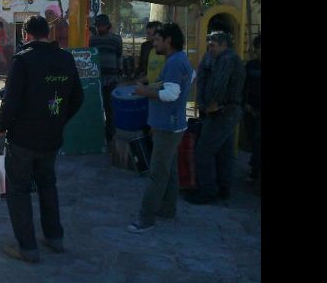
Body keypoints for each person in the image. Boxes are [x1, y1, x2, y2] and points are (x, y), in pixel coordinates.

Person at [0, 15, 83, 263]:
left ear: (27, 35)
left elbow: (11, 101)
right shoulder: (65, 58)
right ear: (48, 34)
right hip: (51, 138)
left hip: (22, 139)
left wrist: (1, 126)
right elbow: (78, 98)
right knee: (47, 185)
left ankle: (27, 247)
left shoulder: (23, 60)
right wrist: (58, 120)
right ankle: (55, 238)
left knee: (18, 190)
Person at [126, 23, 194, 233]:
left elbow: (171, 94)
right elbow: (189, 79)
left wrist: (144, 92)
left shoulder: (174, 62)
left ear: (168, 41)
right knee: (169, 171)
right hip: (173, 124)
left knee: (157, 174)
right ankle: (167, 209)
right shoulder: (180, 60)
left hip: (167, 126)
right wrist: (152, 87)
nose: (153, 43)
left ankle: (145, 219)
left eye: (157, 40)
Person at [187, 31, 247, 204]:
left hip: (222, 111)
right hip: (226, 111)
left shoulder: (228, 59)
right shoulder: (216, 57)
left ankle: (207, 192)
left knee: (204, 152)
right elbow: (203, 76)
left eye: (213, 45)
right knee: (223, 153)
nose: (210, 48)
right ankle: (223, 189)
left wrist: (209, 106)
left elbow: (218, 86)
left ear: (223, 45)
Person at [89, 14, 122, 144]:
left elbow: (119, 56)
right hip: (97, 79)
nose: (99, 28)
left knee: (110, 108)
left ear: (108, 26)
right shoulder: (93, 40)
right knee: (97, 107)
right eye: (98, 26)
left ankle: (110, 135)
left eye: (102, 25)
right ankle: (98, 135)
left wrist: (120, 74)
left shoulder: (116, 39)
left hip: (112, 79)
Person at [243, 34, 261, 191]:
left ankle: (254, 173)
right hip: (251, 109)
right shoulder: (251, 65)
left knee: (258, 141)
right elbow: (244, 85)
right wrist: (246, 103)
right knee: (253, 140)